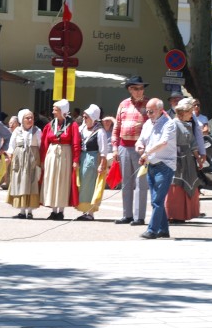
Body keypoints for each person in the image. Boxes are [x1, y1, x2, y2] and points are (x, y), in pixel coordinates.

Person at [136, 98, 177, 239]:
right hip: (151, 165)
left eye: (151, 111)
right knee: (155, 199)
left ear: (160, 110)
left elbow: (163, 143)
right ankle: (164, 230)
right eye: (147, 111)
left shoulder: (169, 124)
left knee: (157, 201)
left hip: (165, 166)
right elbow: (141, 139)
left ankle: (152, 230)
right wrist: (139, 146)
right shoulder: (147, 123)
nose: (148, 113)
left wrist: (147, 152)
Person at [111, 75, 150, 225]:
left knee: (141, 183)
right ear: (130, 89)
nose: (139, 91)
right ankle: (127, 215)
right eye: (136, 88)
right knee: (126, 183)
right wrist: (115, 148)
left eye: (141, 88)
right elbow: (117, 127)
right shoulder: (123, 104)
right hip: (123, 147)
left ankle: (139, 217)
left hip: (140, 149)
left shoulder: (149, 104)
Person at [40, 99, 81, 220]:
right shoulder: (50, 124)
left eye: (56, 109)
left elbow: (76, 143)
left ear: (63, 111)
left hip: (65, 154)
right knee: (51, 179)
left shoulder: (72, 125)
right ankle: (53, 210)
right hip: (52, 154)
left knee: (63, 180)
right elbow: (44, 142)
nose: (53, 112)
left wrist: (75, 160)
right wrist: (42, 159)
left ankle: (61, 211)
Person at [165, 98, 204, 223]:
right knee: (176, 185)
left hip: (188, 160)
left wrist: (198, 158)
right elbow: (168, 144)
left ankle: (185, 214)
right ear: (183, 112)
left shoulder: (187, 125)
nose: (191, 115)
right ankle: (174, 214)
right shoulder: (173, 124)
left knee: (190, 184)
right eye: (189, 112)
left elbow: (193, 144)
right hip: (177, 159)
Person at [5, 109, 42, 219]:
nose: (30, 120)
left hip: (32, 159)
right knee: (20, 182)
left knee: (31, 183)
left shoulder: (37, 131)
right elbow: (11, 145)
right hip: (19, 161)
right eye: (27, 118)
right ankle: (22, 211)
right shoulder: (17, 131)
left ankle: (30, 211)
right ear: (22, 119)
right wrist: (11, 156)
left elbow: (41, 146)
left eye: (31, 118)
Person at [75, 104, 108, 220]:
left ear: (93, 118)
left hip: (93, 158)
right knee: (83, 185)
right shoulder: (82, 129)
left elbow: (103, 150)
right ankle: (84, 210)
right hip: (83, 157)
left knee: (90, 185)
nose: (84, 119)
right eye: (84, 117)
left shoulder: (100, 132)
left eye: (86, 117)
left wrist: (102, 164)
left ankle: (90, 212)